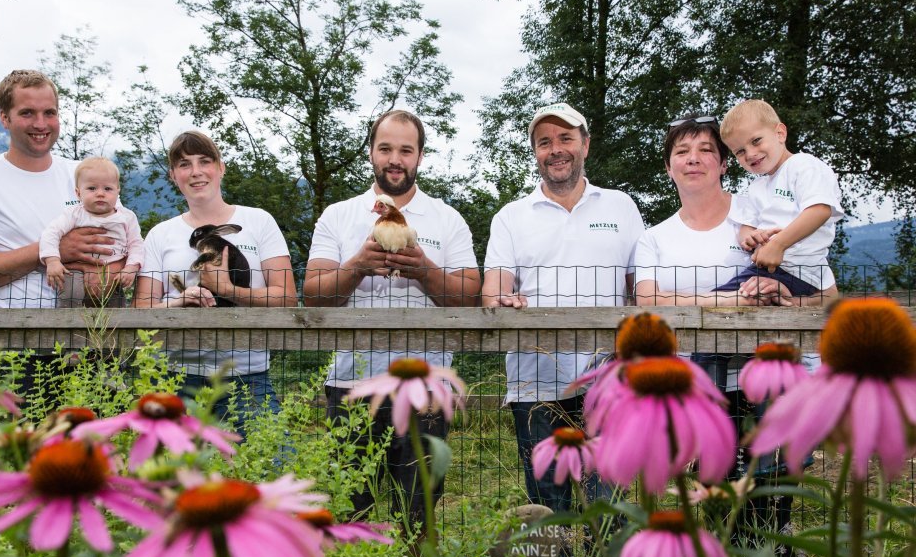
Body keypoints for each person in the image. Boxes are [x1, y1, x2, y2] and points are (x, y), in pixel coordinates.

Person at [635, 113, 838, 557]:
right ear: (668, 167)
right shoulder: (655, 237)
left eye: (706, 150)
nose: (694, 159)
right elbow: (648, 300)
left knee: (774, 465)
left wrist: (783, 297)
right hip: (702, 375)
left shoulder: (766, 221)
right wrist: (728, 302)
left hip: (769, 368)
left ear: (725, 164)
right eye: (682, 152)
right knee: (718, 471)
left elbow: (826, 301)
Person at [303, 109, 481, 527]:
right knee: (351, 510)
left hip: (426, 387)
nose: (395, 159)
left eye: (406, 149)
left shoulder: (446, 219)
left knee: (417, 513)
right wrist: (357, 267)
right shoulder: (339, 216)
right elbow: (312, 296)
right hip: (351, 382)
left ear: (420, 157)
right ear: (371, 153)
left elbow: (470, 297)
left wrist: (424, 271)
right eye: (386, 148)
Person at [482, 102, 644, 513]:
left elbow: (640, 290)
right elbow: (492, 291)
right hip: (535, 382)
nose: (556, 149)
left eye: (566, 138)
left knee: (606, 503)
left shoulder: (621, 207)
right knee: (548, 507)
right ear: (536, 152)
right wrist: (501, 299)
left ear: (585, 145)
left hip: (607, 379)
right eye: (544, 142)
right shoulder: (511, 217)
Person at [133, 130, 296, 435]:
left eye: (204, 161)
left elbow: (287, 298)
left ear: (221, 167)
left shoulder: (258, 221)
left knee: (272, 466)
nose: (195, 172)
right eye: (184, 164)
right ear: (173, 175)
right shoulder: (160, 234)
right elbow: (142, 309)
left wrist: (227, 290)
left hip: (249, 376)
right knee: (175, 478)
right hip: (178, 378)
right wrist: (181, 301)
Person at [0, 69, 113, 308]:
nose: (40, 124)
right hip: (13, 335)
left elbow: (118, 249)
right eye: (27, 113)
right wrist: (51, 251)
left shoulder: (86, 175)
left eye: (49, 113)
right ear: (5, 118)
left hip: (90, 334)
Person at [716, 99, 843, 298]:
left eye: (756, 141)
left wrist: (778, 244)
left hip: (799, 271)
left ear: (780, 133)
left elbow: (820, 210)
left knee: (718, 302)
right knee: (716, 300)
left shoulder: (804, 166)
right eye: (740, 151)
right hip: (767, 269)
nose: (750, 154)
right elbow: (746, 226)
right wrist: (750, 237)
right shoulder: (756, 187)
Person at [40, 157, 144, 307]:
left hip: (113, 273)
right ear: (78, 193)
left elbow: (136, 244)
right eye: (92, 188)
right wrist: (52, 261)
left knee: (115, 309)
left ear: (117, 191)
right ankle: (67, 327)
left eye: (107, 189)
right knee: (70, 295)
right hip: (76, 272)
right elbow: (51, 233)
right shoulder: (74, 214)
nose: (100, 194)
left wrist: (131, 268)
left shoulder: (126, 217)